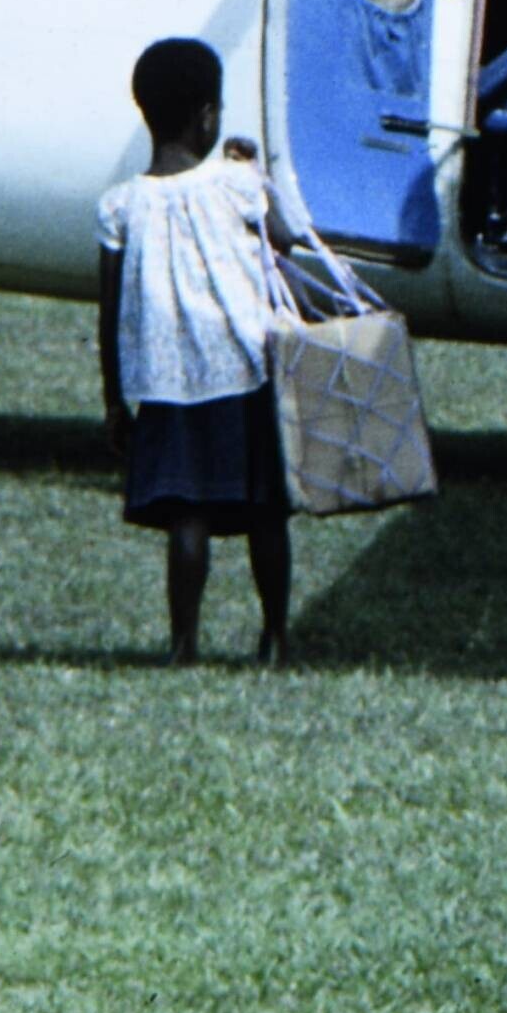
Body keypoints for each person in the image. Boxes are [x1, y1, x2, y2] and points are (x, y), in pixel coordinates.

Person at [94, 35, 315, 666]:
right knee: (265, 512)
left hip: (165, 383)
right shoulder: (236, 184)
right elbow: (284, 238)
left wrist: (115, 400)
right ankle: (275, 637)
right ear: (209, 116)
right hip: (243, 371)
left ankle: (183, 644)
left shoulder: (120, 205)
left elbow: (109, 312)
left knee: (186, 517)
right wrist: (256, 171)